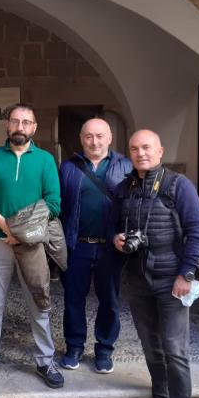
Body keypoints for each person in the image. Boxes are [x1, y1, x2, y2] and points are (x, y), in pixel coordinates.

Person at [112, 129, 199, 398]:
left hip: (172, 279)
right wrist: (117, 238)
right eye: (135, 148)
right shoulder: (125, 188)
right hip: (138, 278)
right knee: (151, 346)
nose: (141, 153)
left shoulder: (178, 186)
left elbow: (197, 233)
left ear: (160, 151)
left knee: (175, 349)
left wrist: (186, 274)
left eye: (147, 147)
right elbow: (117, 226)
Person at [0, 103, 64, 389]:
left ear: (34, 127)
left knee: (39, 301)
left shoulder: (46, 160)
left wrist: (22, 232)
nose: (20, 127)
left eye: (26, 122)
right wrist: (7, 227)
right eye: (15, 121)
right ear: (7, 125)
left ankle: (45, 359)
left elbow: (53, 203)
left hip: (32, 243)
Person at [58, 118, 132, 373]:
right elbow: (59, 206)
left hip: (110, 248)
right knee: (73, 300)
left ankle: (104, 349)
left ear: (110, 138)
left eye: (100, 136)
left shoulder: (125, 166)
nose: (94, 141)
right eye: (89, 136)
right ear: (81, 139)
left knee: (109, 300)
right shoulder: (68, 167)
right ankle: (74, 346)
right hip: (77, 245)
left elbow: (133, 206)